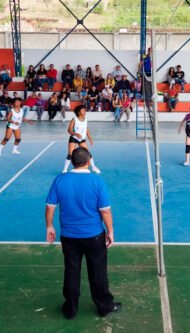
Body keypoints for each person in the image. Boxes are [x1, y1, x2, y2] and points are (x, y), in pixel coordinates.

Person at [45, 147, 121, 319]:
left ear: (72, 162)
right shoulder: (97, 181)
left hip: (69, 237)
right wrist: (110, 231)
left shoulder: (60, 180)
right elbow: (105, 211)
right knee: (98, 272)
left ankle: (70, 309)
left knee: (71, 271)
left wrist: (49, 226)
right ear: (88, 161)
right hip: (94, 236)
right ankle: (104, 306)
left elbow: (50, 206)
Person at [62, 105, 101, 174]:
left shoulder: (85, 119)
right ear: (79, 112)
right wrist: (76, 134)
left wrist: (90, 138)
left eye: (85, 110)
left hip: (82, 139)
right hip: (74, 138)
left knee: (88, 153)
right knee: (70, 154)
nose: (85, 111)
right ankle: (65, 170)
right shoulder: (74, 119)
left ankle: (94, 167)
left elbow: (86, 129)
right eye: (83, 110)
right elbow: (69, 130)